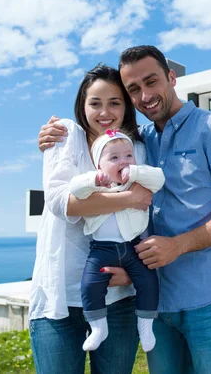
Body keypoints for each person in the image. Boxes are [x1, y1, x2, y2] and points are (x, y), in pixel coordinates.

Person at [38, 46, 211, 374]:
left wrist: (179, 245)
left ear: (171, 78)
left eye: (151, 81)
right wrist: (51, 136)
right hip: (155, 306)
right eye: (133, 90)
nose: (145, 95)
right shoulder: (134, 143)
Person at [29, 64, 154, 374]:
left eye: (115, 102)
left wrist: (131, 275)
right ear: (82, 105)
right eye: (95, 103)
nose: (105, 112)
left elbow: (142, 217)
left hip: (117, 296)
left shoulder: (135, 149)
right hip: (58, 296)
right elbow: (60, 203)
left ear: (126, 107)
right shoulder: (66, 134)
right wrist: (127, 198)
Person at [69, 129, 165, 352]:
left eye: (128, 155)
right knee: (90, 285)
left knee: (149, 282)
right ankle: (98, 327)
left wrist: (134, 172)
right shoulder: (94, 188)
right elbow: (74, 188)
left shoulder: (137, 182)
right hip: (101, 249)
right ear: (99, 165)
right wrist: (94, 179)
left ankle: (146, 325)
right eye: (114, 158)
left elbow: (159, 177)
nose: (123, 161)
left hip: (132, 247)